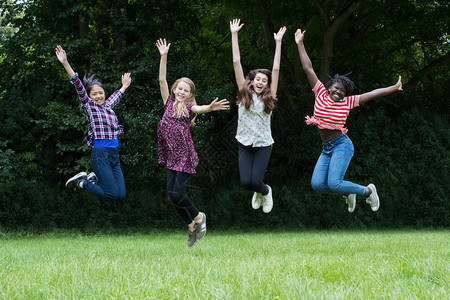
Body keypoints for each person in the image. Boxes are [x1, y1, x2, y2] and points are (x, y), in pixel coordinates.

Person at [294, 28, 402, 213]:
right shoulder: (319, 92)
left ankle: (367, 191)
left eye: (343, 90)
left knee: (334, 183)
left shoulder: (348, 102)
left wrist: (393, 87)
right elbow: (308, 68)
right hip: (326, 148)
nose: (339, 92)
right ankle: (348, 193)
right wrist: (300, 44)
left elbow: (372, 94)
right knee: (317, 185)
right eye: (336, 88)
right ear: (329, 87)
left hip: (341, 145)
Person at [156, 38, 229, 248]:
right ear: (174, 89)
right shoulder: (168, 102)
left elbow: (200, 109)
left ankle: (198, 217)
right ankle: (190, 227)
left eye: (185, 90)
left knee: (178, 193)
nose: (181, 92)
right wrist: (164, 56)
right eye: (179, 88)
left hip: (185, 156)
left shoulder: (189, 108)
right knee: (172, 197)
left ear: (190, 95)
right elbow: (162, 79)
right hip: (171, 156)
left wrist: (210, 108)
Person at [55, 45, 131, 202]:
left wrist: (124, 85)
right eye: (94, 94)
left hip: (113, 155)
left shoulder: (107, 106)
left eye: (101, 93)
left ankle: (92, 179)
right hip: (100, 154)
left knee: (120, 195)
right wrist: (65, 63)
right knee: (110, 195)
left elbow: (117, 95)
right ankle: (83, 183)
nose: (98, 96)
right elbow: (77, 84)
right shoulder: (90, 106)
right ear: (89, 96)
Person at [230, 19, 286, 213]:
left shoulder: (270, 97)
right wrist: (234, 34)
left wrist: (278, 43)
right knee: (246, 183)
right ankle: (260, 191)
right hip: (244, 143)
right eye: (258, 79)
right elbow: (236, 62)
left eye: (265, 80)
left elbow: (276, 70)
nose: (261, 82)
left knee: (256, 181)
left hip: (263, 144)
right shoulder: (243, 94)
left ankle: (265, 190)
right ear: (252, 82)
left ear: (267, 84)